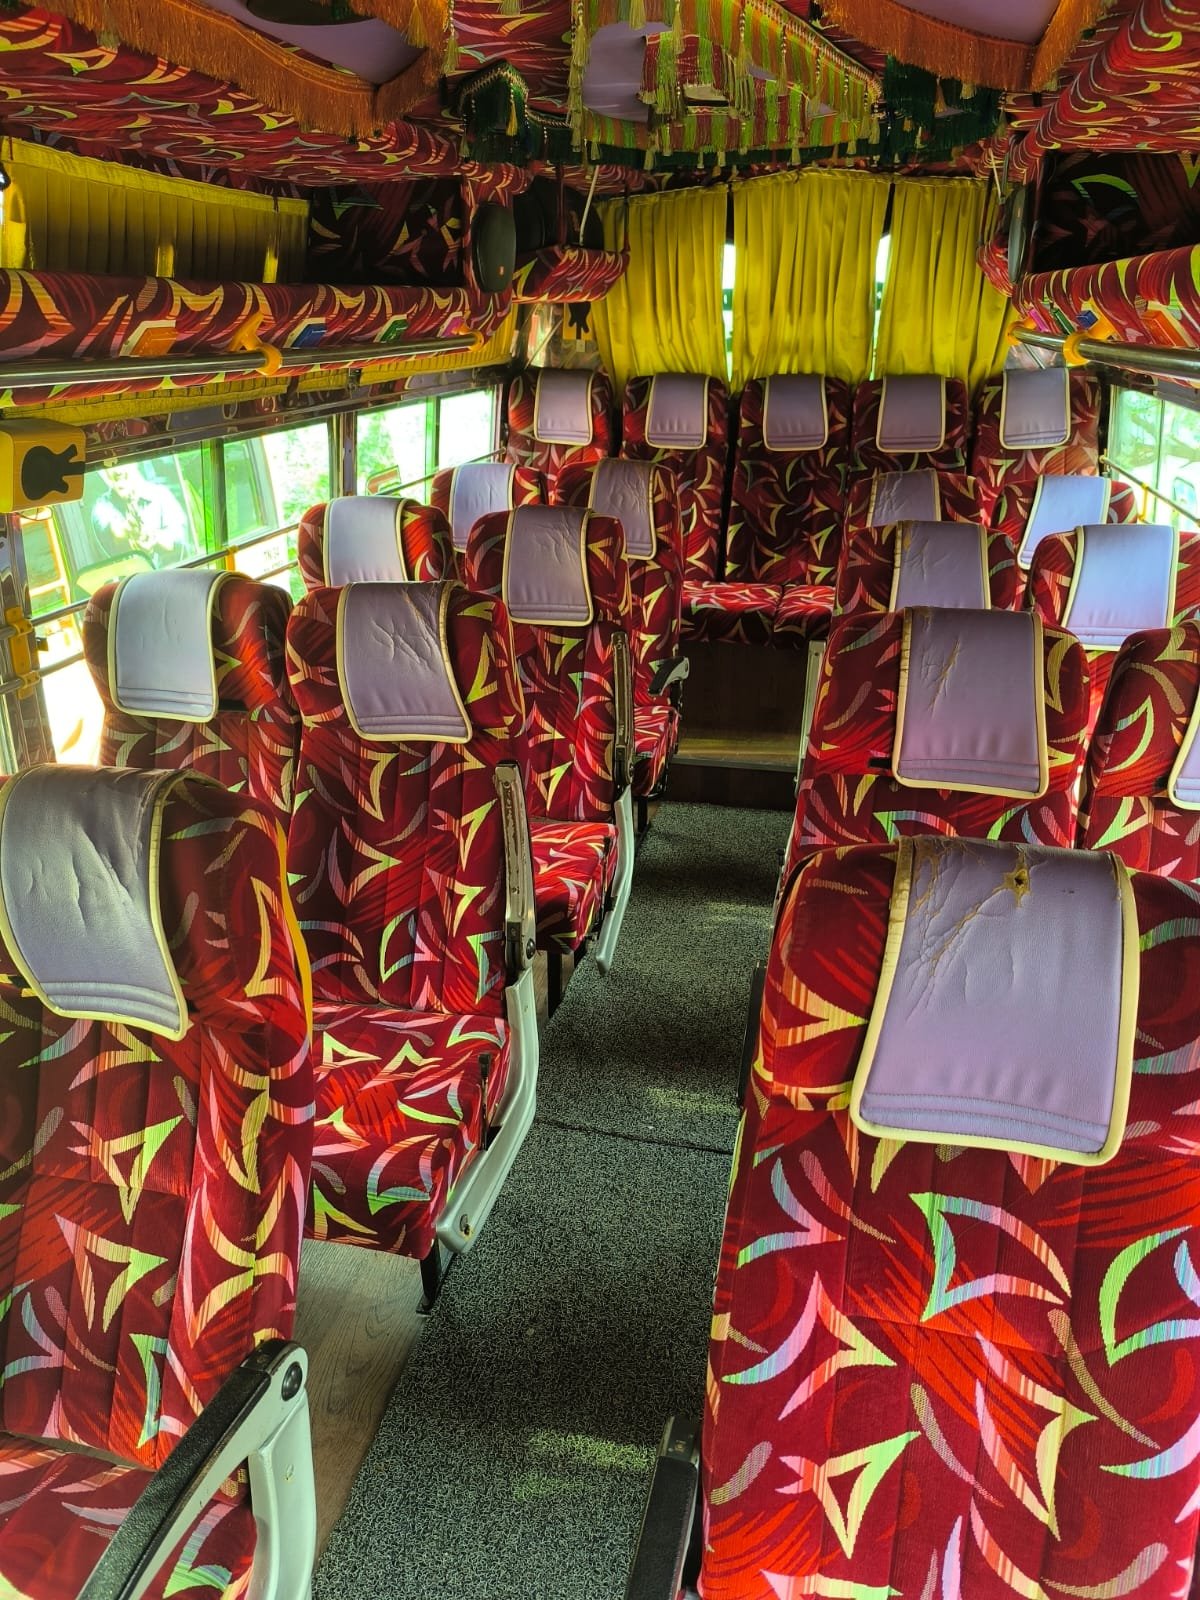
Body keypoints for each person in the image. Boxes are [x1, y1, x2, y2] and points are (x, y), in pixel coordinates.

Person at [92, 464, 191, 568]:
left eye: (121, 463)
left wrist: (154, 537)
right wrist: (129, 530)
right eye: (110, 465)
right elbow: (112, 531)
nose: (118, 471)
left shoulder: (162, 495)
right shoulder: (101, 506)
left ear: (134, 464)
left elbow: (181, 543)